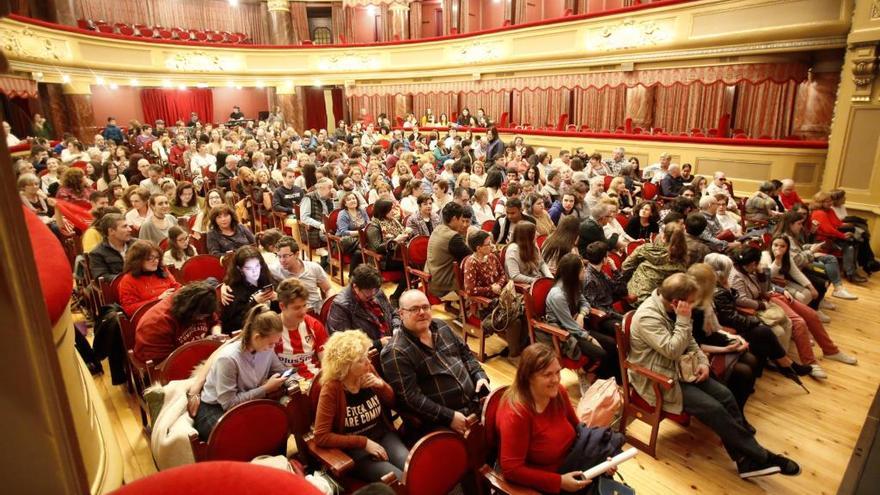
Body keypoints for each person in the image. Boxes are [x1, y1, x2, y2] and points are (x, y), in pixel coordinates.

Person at [629, 273, 800, 479]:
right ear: (676, 302)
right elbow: (673, 350)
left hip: (682, 370)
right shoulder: (648, 316)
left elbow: (690, 340)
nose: (693, 306)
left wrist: (702, 362)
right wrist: (684, 319)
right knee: (714, 408)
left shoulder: (674, 308)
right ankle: (761, 456)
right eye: (691, 302)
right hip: (659, 379)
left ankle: (745, 461)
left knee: (726, 395)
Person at [497, 343, 620, 494]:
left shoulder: (558, 393)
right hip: (545, 482)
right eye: (547, 375)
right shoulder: (517, 415)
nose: (556, 379)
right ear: (528, 377)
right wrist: (559, 482)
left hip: (574, 467)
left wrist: (600, 460)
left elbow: (578, 430)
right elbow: (512, 469)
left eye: (557, 372)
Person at [729, 247, 856, 380]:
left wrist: (768, 279)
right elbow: (751, 295)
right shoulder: (743, 271)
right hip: (766, 300)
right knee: (799, 322)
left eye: (783, 246)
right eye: (776, 245)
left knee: (812, 315)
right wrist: (769, 273)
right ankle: (810, 362)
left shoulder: (752, 269)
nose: (778, 249)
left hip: (774, 294)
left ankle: (831, 351)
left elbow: (769, 285)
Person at [380, 290, 490, 434]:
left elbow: (466, 354)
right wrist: (449, 417)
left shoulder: (441, 326)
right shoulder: (395, 352)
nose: (422, 312)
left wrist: (479, 376)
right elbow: (411, 399)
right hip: (439, 422)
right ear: (401, 314)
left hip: (475, 403)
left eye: (425, 307)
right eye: (414, 309)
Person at [314, 330, 409, 482]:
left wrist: (381, 386)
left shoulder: (367, 370)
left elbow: (393, 402)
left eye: (366, 356)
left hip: (383, 435)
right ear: (344, 366)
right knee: (398, 480)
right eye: (361, 360)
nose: (368, 362)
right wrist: (363, 442)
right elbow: (321, 436)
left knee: (412, 469)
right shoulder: (332, 387)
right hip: (356, 450)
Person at [704, 253, 813, 380]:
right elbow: (730, 317)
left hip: (736, 318)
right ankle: (787, 365)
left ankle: (785, 365)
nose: (730, 272)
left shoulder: (720, 286)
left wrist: (730, 288)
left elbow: (763, 290)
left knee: (771, 329)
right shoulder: (720, 290)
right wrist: (754, 321)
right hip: (727, 326)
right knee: (764, 331)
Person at [193, 305, 288, 440]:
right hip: (213, 408)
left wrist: (291, 378)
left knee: (278, 426)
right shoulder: (228, 359)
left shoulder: (266, 349)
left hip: (245, 403)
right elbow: (229, 404)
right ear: (256, 337)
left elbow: (281, 371)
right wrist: (265, 388)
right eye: (271, 343)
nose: (273, 347)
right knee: (243, 438)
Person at [687, 263, 760, 416]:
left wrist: (732, 338)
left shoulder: (705, 303)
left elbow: (714, 331)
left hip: (709, 343)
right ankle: (734, 413)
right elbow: (695, 344)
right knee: (744, 371)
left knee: (751, 358)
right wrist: (726, 348)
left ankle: (737, 407)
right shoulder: (692, 309)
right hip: (698, 352)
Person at [545, 253, 619, 382]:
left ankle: (614, 381)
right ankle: (586, 375)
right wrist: (590, 338)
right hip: (565, 335)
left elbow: (585, 303)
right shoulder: (558, 295)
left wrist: (581, 314)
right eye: (582, 268)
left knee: (612, 344)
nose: (585, 270)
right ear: (574, 273)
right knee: (600, 353)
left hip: (578, 327)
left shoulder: (572, 285)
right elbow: (569, 326)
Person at [463, 231, 527, 357]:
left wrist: (498, 285)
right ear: (478, 248)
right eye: (488, 244)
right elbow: (470, 290)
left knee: (524, 311)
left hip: (501, 298)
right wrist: (490, 289)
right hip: (485, 305)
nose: (492, 246)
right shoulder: (471, 263)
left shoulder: (492, 257)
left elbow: (503, 275)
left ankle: (519, 347)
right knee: (515, 320)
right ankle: (515, 352)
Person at [774, 210, 857, 300]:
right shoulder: (785, 238)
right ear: (790, 224)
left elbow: (798, 249)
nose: (801, 226)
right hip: (793, 270)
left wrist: (809, 247)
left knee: (828, 264)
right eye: (799, 224)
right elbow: (796, 260)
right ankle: (832, 293)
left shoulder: (791, 235)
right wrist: (811, 251)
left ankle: (831, 293)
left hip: (801, 263)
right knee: (825, 273)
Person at [133, 281, 220, 363]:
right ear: (189, 310)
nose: (202, 319)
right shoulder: (157, 323)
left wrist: (216, 335)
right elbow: (163, 365)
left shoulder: (201, 303)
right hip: (164, 364)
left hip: (190, 355)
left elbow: (214, 322)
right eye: (200, 316)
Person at [326, 265, 399, 351]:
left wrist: (396, 329)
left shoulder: (376, 291)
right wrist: (377, 344)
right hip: (368, 354)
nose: (372, 294)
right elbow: (343, 345)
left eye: (375, 290)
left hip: (390, 344)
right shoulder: (341, 306)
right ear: (355, 286)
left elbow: (393, 313)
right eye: (368, 291)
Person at [275, 278, 329, 381]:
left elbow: (326, 361)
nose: (303, 311)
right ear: (282, 306)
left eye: (304, 305)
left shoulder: (314, 325)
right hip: (287, 386)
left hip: (316, 380)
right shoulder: (271, 329)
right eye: (296, 308)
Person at [621, 222, 688, 303]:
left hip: (636, 296)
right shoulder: (682, 257)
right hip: (662, 302)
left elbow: (625, 266)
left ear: (663, 237)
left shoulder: (645, 249)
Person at [220, 246, 276, 334]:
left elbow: (277, 311)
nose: (255, 271)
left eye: (257, 266)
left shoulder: (265, 278)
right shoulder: (232, 290)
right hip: (248, 333)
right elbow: (234, 324)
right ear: (240, 269)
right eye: (248, 268)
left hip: (270, 327)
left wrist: (276, 300)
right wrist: (254, 303)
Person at [117, 240, 181, 316]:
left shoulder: (162, 270)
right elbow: (129, 309)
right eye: (151, 258)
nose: (156, 261)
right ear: (138, 260)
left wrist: (182, 292)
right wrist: (158, 300)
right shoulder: (128, 280)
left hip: (171, 311)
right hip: (148, 318)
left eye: (157, 257)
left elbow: (175, 286)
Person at [364, 200, 410, 303]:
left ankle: (407, 293)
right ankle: (395, 296)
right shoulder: (374, 226)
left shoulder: (393, 221)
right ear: (383, 211)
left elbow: (402, 233)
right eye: (391, 210)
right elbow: (377, 248)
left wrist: (407, 234)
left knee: (416, 261)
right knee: (411, 266)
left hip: (398, 254)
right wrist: (395, 240)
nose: (394, 212)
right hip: (384, 259)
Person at [269, 237, 331, 313]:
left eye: (285, 256)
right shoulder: (274, 270)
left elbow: (328, 289)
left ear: (296, 254)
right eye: (279, 256)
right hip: (293, 312)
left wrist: (328, 304)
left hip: (314, 309)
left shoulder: (313, 267)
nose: (282, 260)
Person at [425, 202, 472, 298]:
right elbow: (470, 257)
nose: (463, 224)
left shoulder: (438, 229)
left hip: (434, 281)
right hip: (446, 286)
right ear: (454, 219)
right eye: (461, 220)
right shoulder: (453, 237)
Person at [89, 213, 134, 280]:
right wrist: (127, 280)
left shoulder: (137, 245)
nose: (130, 229)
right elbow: (102, 277)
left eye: (128, 226)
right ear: (111, 231)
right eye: (124, 226)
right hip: (117, 288)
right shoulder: (97, 253)